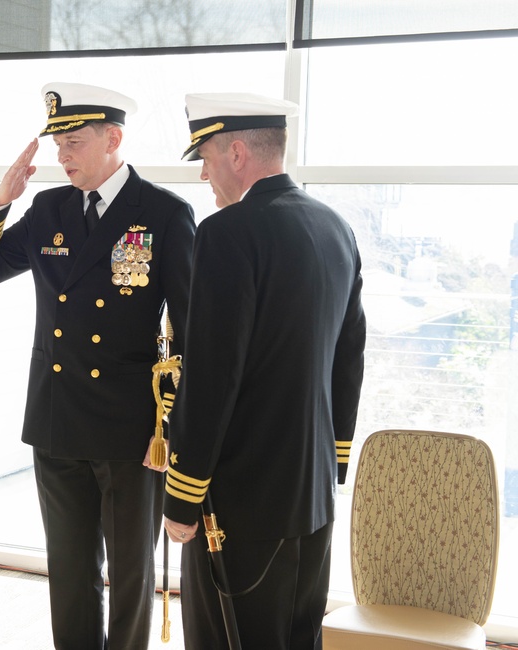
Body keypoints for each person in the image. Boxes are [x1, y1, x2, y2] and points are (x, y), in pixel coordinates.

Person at [0, 81, 196, 649]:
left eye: (75, 142)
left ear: (114, 138)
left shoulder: (163, 213)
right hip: (59, 417)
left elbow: (190, 334)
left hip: (130, 427)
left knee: (131, 575)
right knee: (68, 572)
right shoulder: (48, 209)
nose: (62, 155)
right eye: (58, 143)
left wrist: (173, 431)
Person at [162, 93, 367, 649]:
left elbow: (211, 377)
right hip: (312, 491)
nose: (203, 174)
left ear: (235, 152)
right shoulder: (335, 229)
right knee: (299, 638)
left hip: (240, 500)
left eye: (203, 156)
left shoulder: (228, 233)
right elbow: (349, 359)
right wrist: (336, 456)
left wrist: (182, 495)